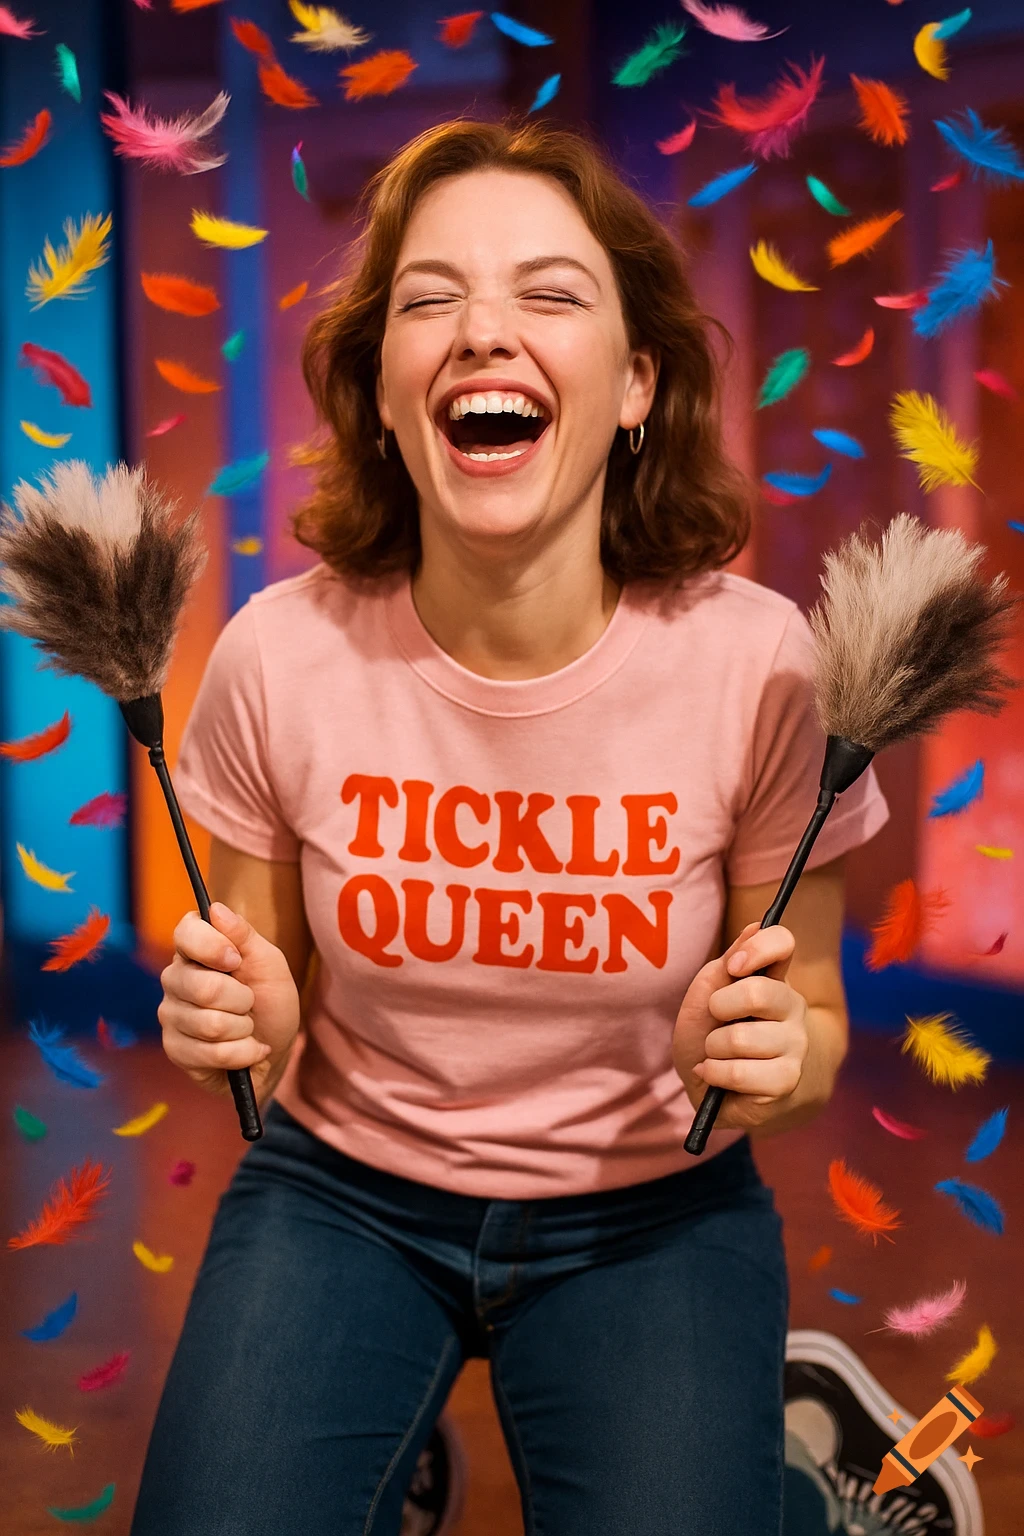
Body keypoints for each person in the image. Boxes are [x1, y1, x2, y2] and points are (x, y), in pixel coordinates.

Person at [130, 116, 889, 1536]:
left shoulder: (761, 666)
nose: (485, 330)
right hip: (342, 1192)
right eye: (432, 300)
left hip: (655, 1212)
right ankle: (391, 1456)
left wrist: (779, 1058)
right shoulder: (277, 656)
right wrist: (245, 1025)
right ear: (380, 390)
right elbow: (266, 1013)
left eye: (549, 293)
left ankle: (794, 1488)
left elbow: (821, 1027)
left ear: (637, 382)